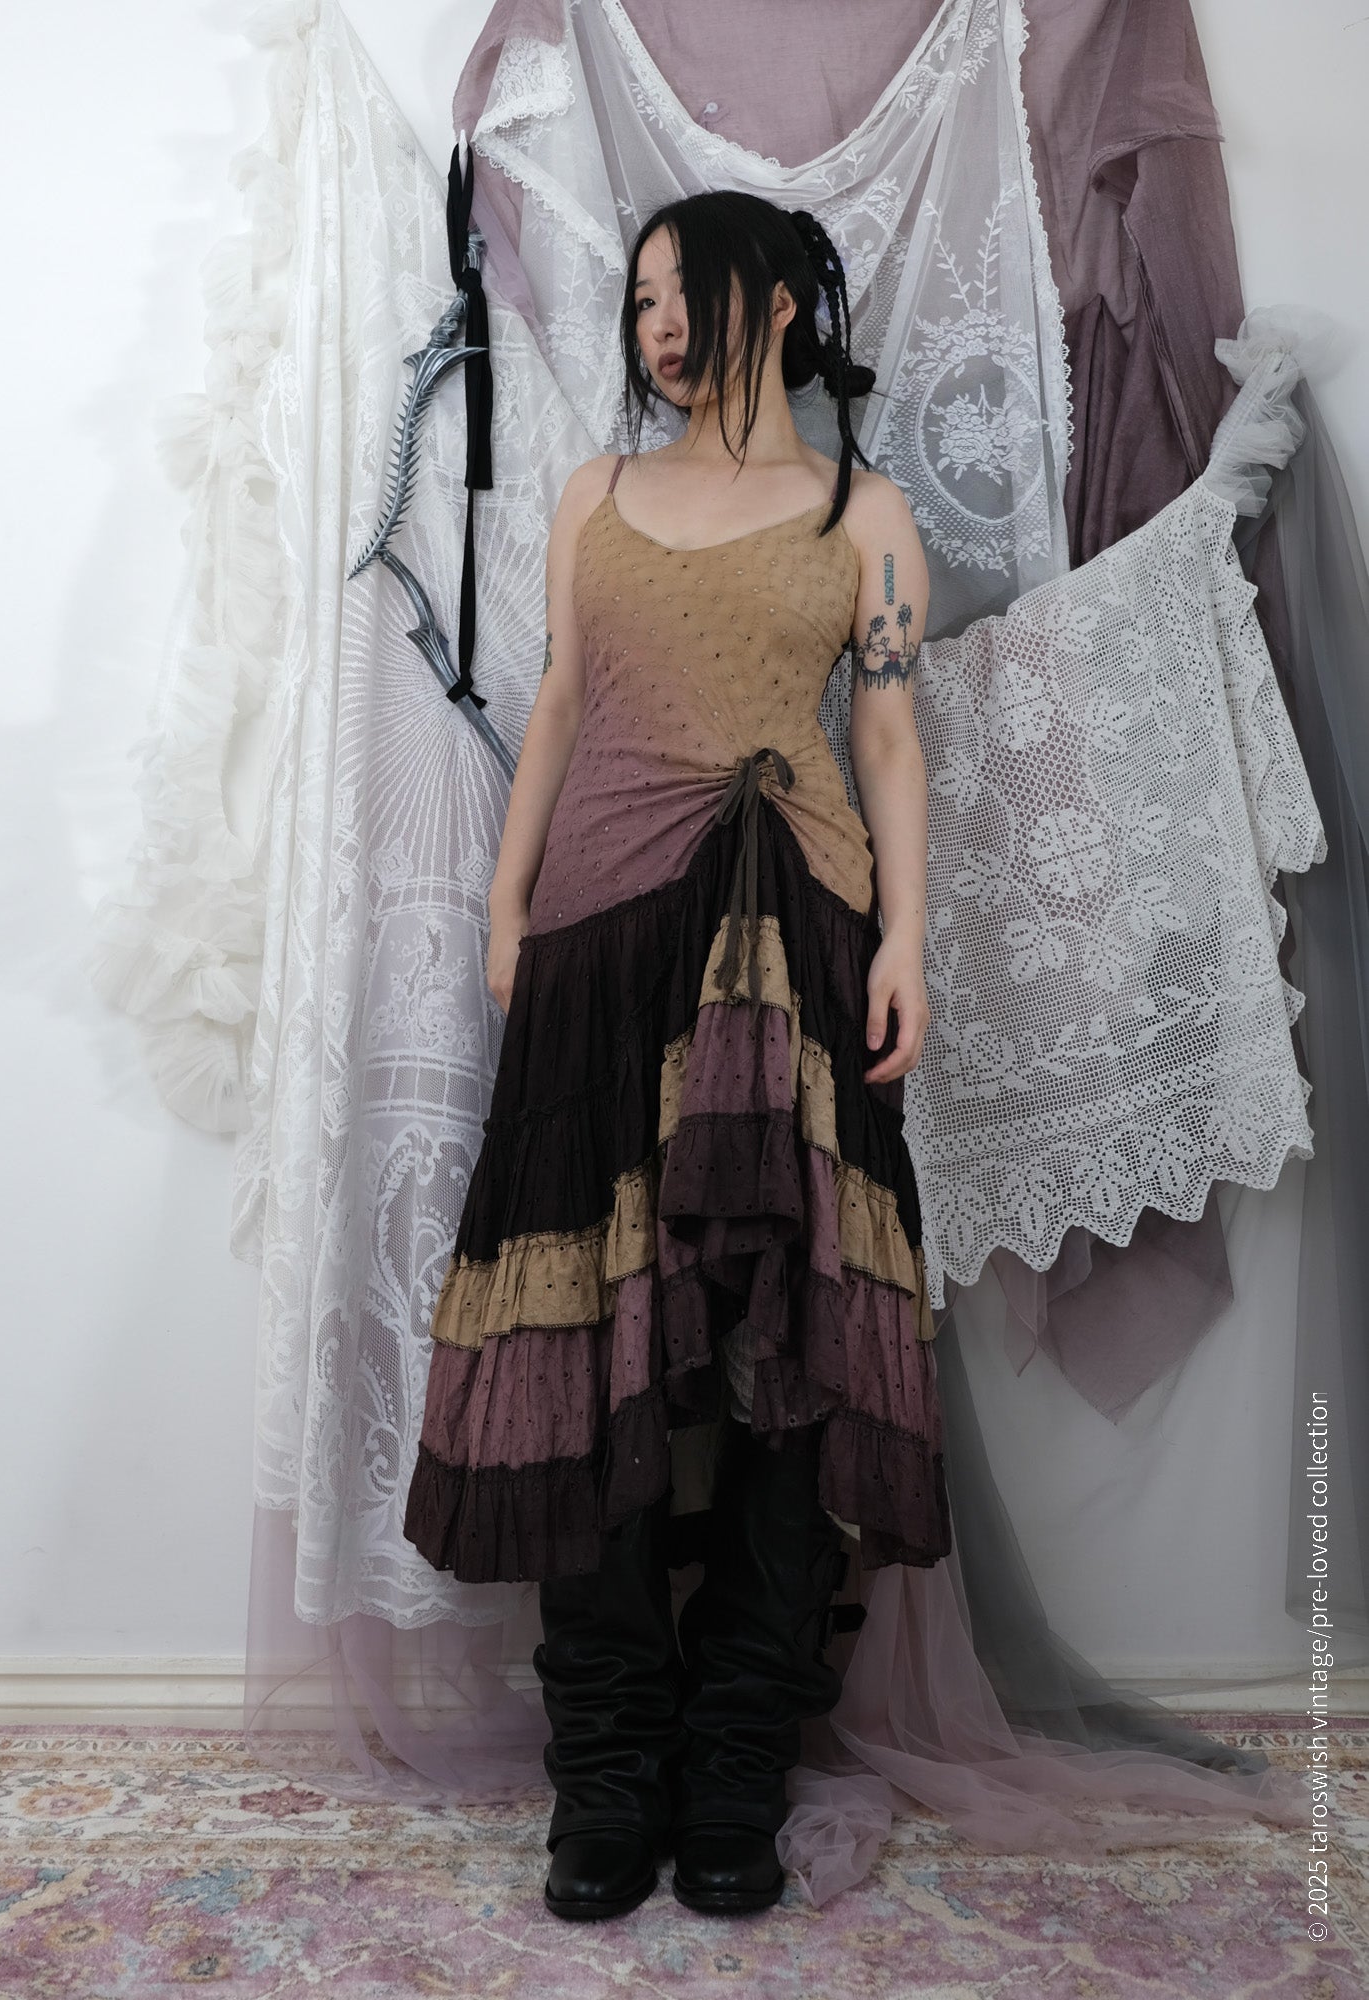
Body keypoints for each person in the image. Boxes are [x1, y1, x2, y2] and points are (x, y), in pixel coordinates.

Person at [401, 189, 951, 1920]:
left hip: (796, 942)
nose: (653, 323)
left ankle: (734, 1768)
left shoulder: (865, 516)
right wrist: (505, 903)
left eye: (679, 292)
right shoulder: (593, 496)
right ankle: (608, 1768)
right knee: (593, 1348)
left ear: (774, 303)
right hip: (602, 944)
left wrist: (910, 940)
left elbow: (887, 736)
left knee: (792, 1358)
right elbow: (561, 702)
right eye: (636, 298)